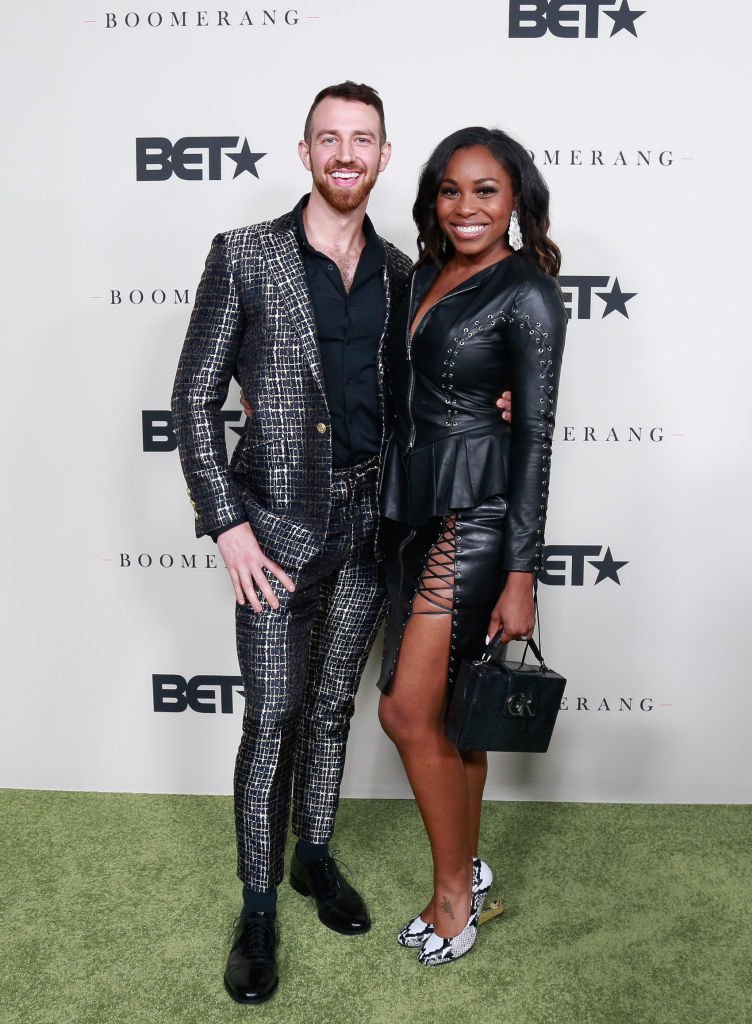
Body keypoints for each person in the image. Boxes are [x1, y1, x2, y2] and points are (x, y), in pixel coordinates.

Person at [171, 82, 412, 1005]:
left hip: (369, 531)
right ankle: (260, 903)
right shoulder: (245, 256)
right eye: (329, 138)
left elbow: (422, 396)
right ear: (305, 151)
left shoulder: (398, 272)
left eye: (364, 139)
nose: (346, 153)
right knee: (271, 717)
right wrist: (226, 521)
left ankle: (315, 853)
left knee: (328, 709)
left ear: (383, 156)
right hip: (273, 534)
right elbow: (193, 401)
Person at [376, 127, 567, 966]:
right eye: (451, 190)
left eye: (486, 191)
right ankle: (471, 866)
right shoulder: (424, 273)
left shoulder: (528, 294)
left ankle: (454, 895)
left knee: (405, 712)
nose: (467, 207)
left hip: (480, 517)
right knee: (454, 718)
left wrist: (521, 571)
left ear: (517, 200)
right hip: (415, 510)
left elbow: (534, 439)